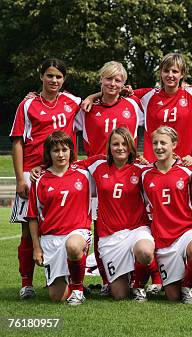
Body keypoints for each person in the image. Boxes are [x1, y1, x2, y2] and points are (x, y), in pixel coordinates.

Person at [74, 61, 151, 296]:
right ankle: (109, 280)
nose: (113, 84)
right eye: (108, 79)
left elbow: (154, 115)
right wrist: (91, 96)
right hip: (98, 172)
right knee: (101, 227)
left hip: (128, 170)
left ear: (124, 84)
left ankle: (147, 278)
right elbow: (69, 132)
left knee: (140, 217)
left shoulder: (133, 104)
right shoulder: (86, 108)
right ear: (101, 80)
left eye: (118, 80)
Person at [10, 58, 81, 299]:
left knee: (67, 227)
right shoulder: (27, 105)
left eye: (59, 77)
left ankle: (69, 278)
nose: (54, 80)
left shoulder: (72, 102)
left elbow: (96, 102)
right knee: (27, 233)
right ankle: (26, 283)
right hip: (34, 174)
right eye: (50, 75)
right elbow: (18, 141)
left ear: (64, 80)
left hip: (63, 174)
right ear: (41, 76)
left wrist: (94, 97)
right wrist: (21, 178)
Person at [73, 128, 155, 302]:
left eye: (124, 144)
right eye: (115, 144)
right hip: (110, 236)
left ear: (131, 146)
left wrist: (183, 159)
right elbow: (69, 166)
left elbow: (164, 169)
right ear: (109, 146)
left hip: (136, 229)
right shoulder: (97, 165)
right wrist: (42, 168)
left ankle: (139, 286)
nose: (120, 148)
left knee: (145, 252)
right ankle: (126, 279)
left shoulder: (141, 168)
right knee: (119, 295)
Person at [141, 126, 192, 304]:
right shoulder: (145, 175)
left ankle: (189, 283)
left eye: (163, 142)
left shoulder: (188, 172)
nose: (159, 147)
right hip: (163, 238)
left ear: (174, 145)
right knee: (172, 297)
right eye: (155, 143)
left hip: (187, 231)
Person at [27, 131, 92, 305]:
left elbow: (110, 158)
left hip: (78, 233)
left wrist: (139, 159)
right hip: (51, 239)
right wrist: (36, 248)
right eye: (56, 150)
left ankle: (77, 289)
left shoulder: (85, 172)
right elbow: (33, 217)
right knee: (57, 298)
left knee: (73, 245)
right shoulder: (40, 179)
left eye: (65, 149)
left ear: (71, 150)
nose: (61, 154)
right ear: (49, 153)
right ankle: (73, 279)